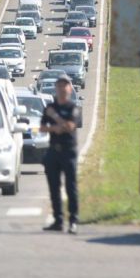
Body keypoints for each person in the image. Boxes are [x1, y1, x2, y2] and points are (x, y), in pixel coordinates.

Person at [42, 77, 80, 234]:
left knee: (71, 187)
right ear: (56, 89)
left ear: (70, 89)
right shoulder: (50, 107)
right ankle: (58, 220)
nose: (62, 90)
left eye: (65, 87)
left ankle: (73, 220)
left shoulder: (74, 108)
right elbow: (42, 128)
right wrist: (55, 129)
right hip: (53, 150)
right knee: (53, 186)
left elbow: (70, 127)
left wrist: (56, 119)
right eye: (59, 87)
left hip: (68, 151)